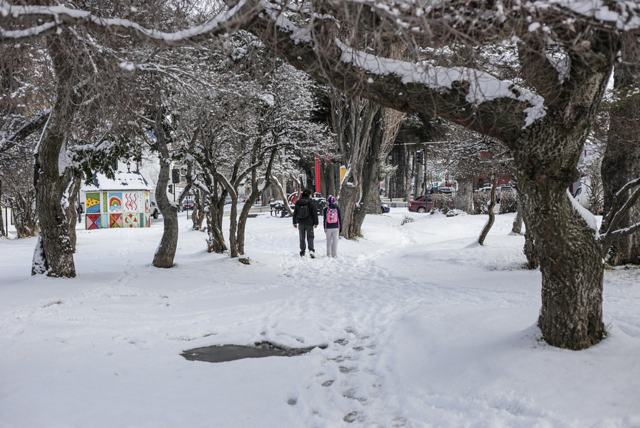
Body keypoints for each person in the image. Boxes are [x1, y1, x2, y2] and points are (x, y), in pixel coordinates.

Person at [293, 189, 318, 258]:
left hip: (300, 222)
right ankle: (311, 250)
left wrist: (294, 222)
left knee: (302, 237)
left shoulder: (298, 202)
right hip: (309, 222)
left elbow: (295, 212)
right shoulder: (311, 202)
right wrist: (316, 222)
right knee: (310, 236)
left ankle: (302, 251)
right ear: (309, 195)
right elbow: (314, 213)